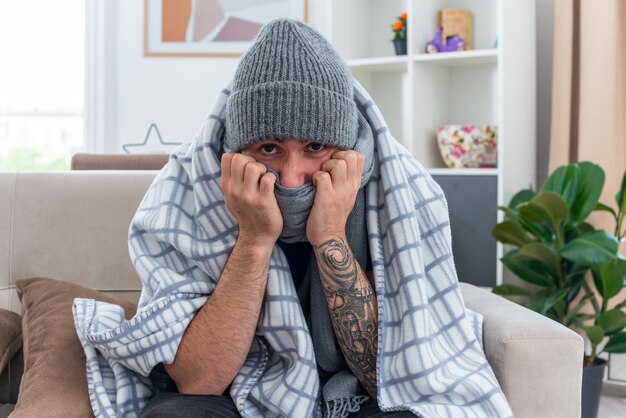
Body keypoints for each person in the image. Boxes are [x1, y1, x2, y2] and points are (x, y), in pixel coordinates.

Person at [72, 18, 512, 418]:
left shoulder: (401, 188)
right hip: (235, 392)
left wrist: (330, 237)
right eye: (269, 149)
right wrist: (254, 240)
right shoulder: (186, 190)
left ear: (347, 148)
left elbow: (389, 377)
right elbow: (199, 382)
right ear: (236, 150)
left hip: (354, 396)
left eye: (316, 149)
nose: (292, 176)